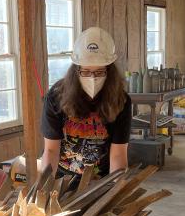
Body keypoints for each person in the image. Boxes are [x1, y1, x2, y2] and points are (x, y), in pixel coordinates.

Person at [41, 27, 132, 182]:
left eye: (99, 72)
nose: (92, 78)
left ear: (109, 70)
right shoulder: (56, 97)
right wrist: (45, 187)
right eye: (86, 71)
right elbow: (51, 150)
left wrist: (116, 189)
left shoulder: (120, 100)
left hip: (100, 179)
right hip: (62, 178)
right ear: (76, 69)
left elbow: (118, 153)